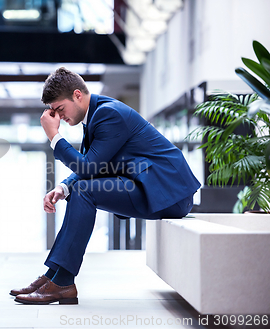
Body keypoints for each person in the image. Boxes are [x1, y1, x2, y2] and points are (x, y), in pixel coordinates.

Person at [11, 67, 201, 305]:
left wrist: (55, 137)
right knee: (79, 190)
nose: (59, 117)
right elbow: (95, 165)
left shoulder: (109, 114)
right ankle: (54, 277)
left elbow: (89, 168)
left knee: (84, 191)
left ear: (77, 95)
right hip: (148, 185)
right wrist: (64, 187)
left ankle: (62, 282)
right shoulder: (96, 116)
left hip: (168, 193)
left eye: (60, 109)